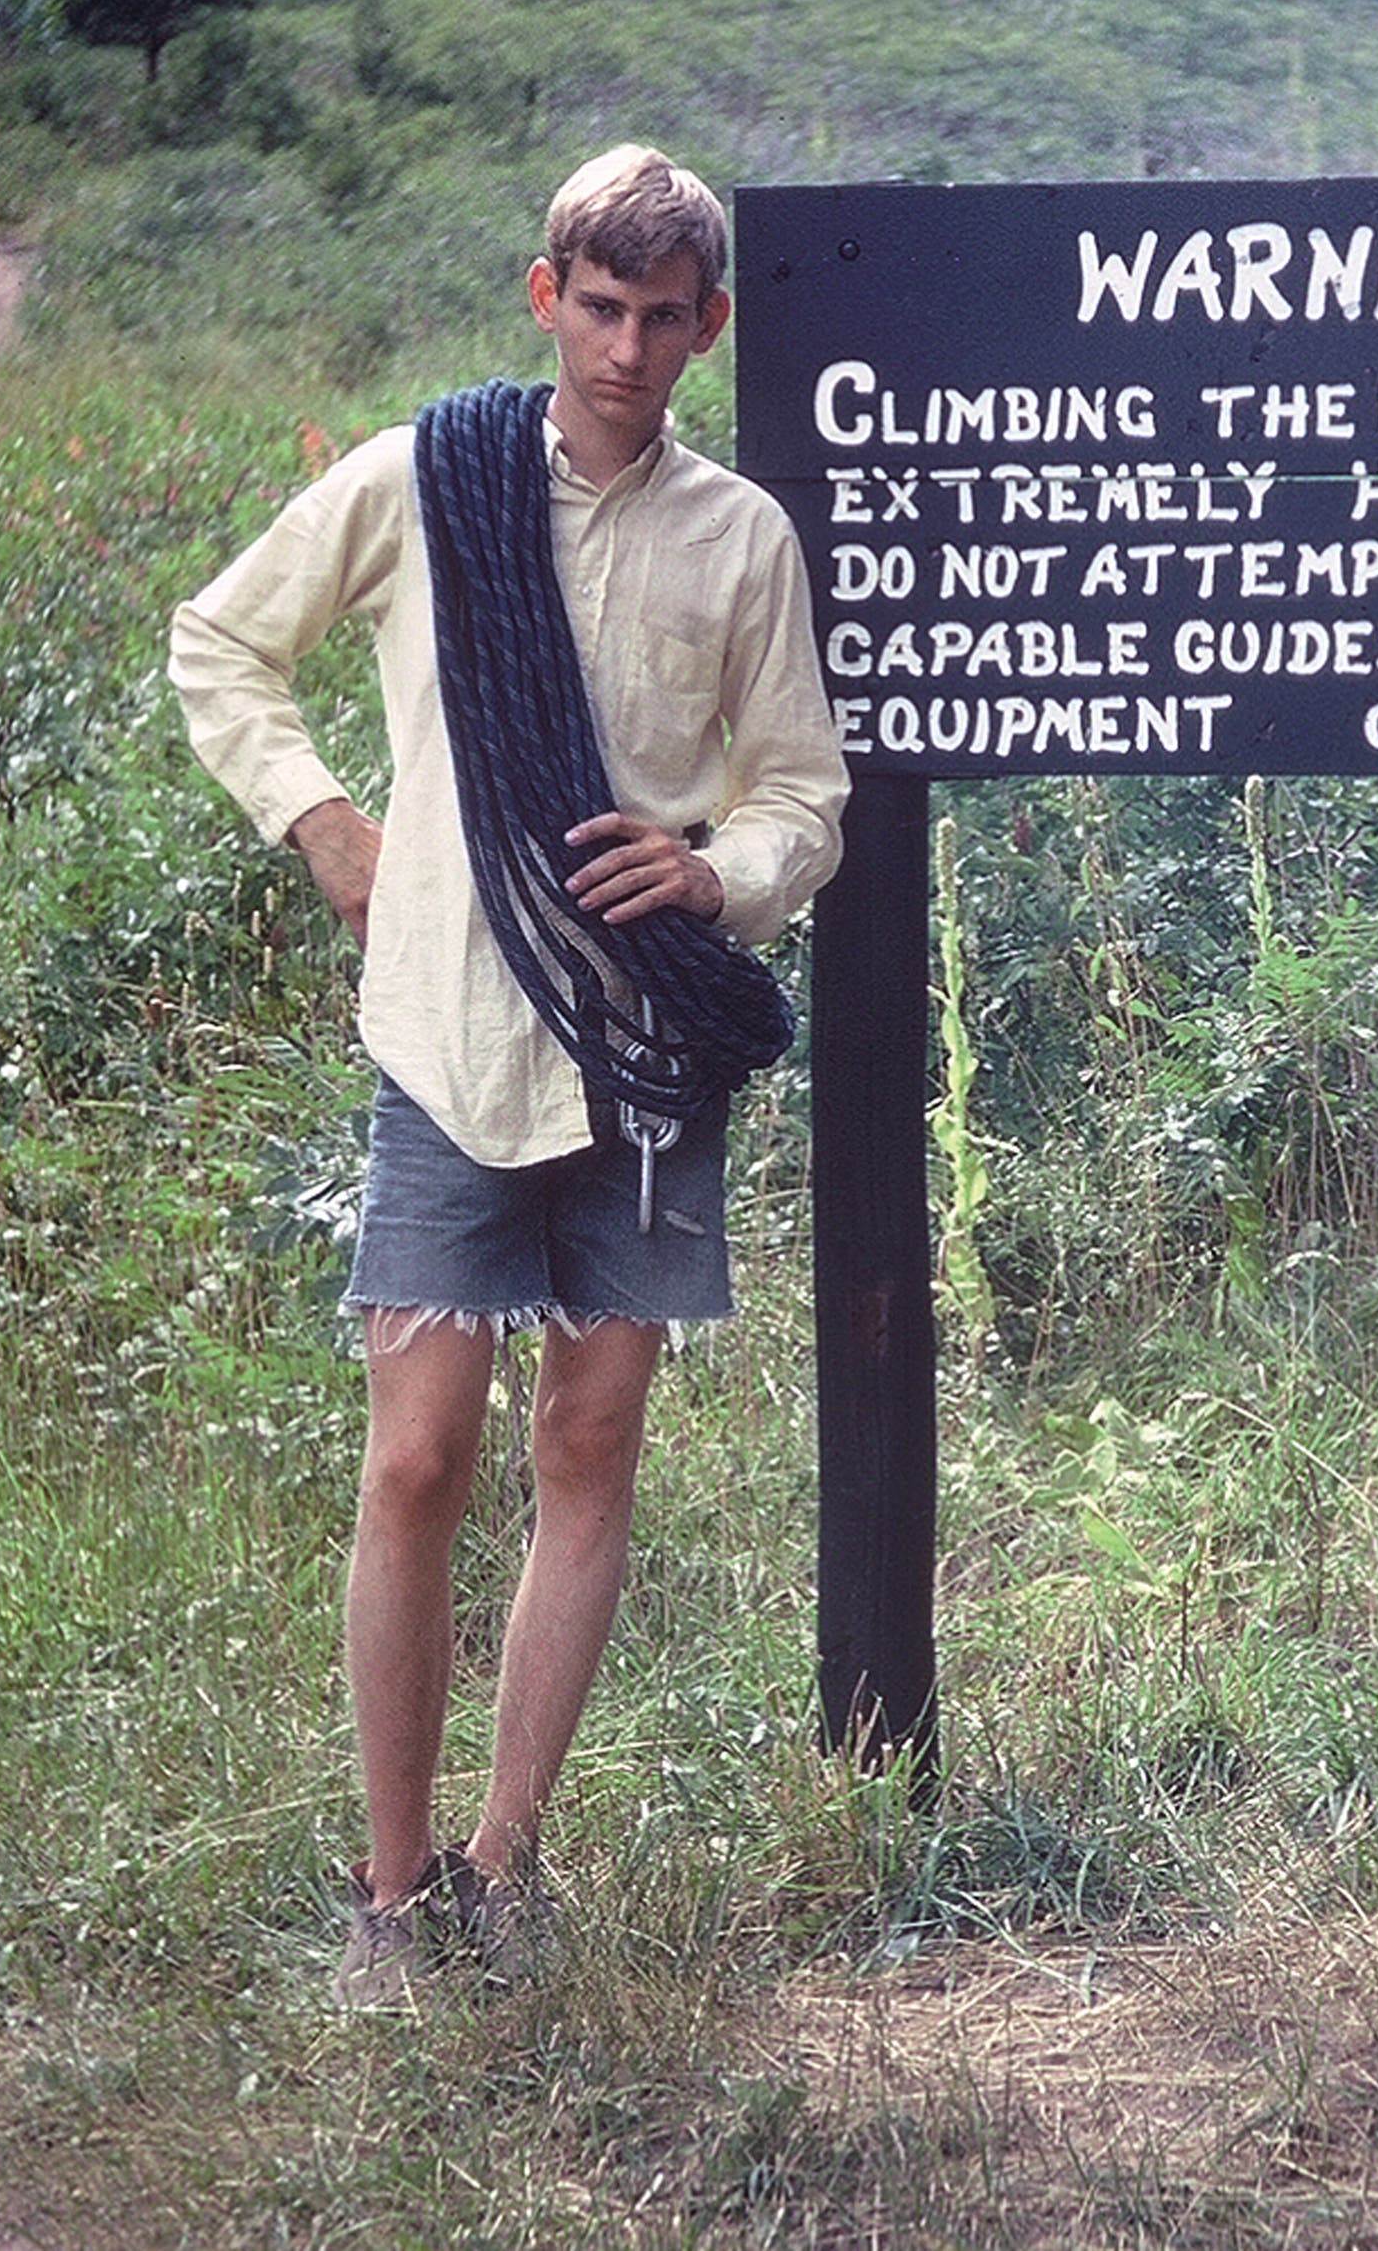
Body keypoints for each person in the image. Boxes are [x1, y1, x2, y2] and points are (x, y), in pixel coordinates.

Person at [170, 144, 849, 2003]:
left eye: (665, 319)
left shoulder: (743, 540)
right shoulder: (428, 479)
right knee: (414, 1460)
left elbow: (805, 788)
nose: (630, 350)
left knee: (589, 1441)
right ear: (545, 298)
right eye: (601, 309)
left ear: (709, 328)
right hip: (449, 1034)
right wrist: (318, 815)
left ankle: (504, 1862)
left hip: (643, 1051)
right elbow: (221, 638)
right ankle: (389, 1902)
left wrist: (719, 873)